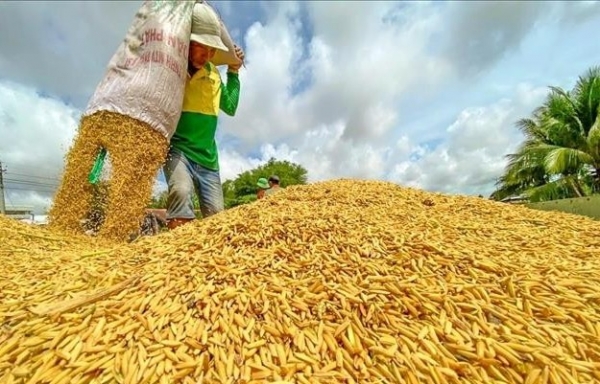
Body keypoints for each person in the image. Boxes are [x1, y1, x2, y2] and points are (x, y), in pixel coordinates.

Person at [163, 3, 245, 230]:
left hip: (208, 159)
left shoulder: (214, 76)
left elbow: (230, 106)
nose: (206, 55)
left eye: (212, 50)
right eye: (202, 47)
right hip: (179, 151)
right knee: (180, 191)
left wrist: (234, 72)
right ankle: (177, 256)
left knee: (217, 215)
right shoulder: (172, 68)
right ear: (188, 43)